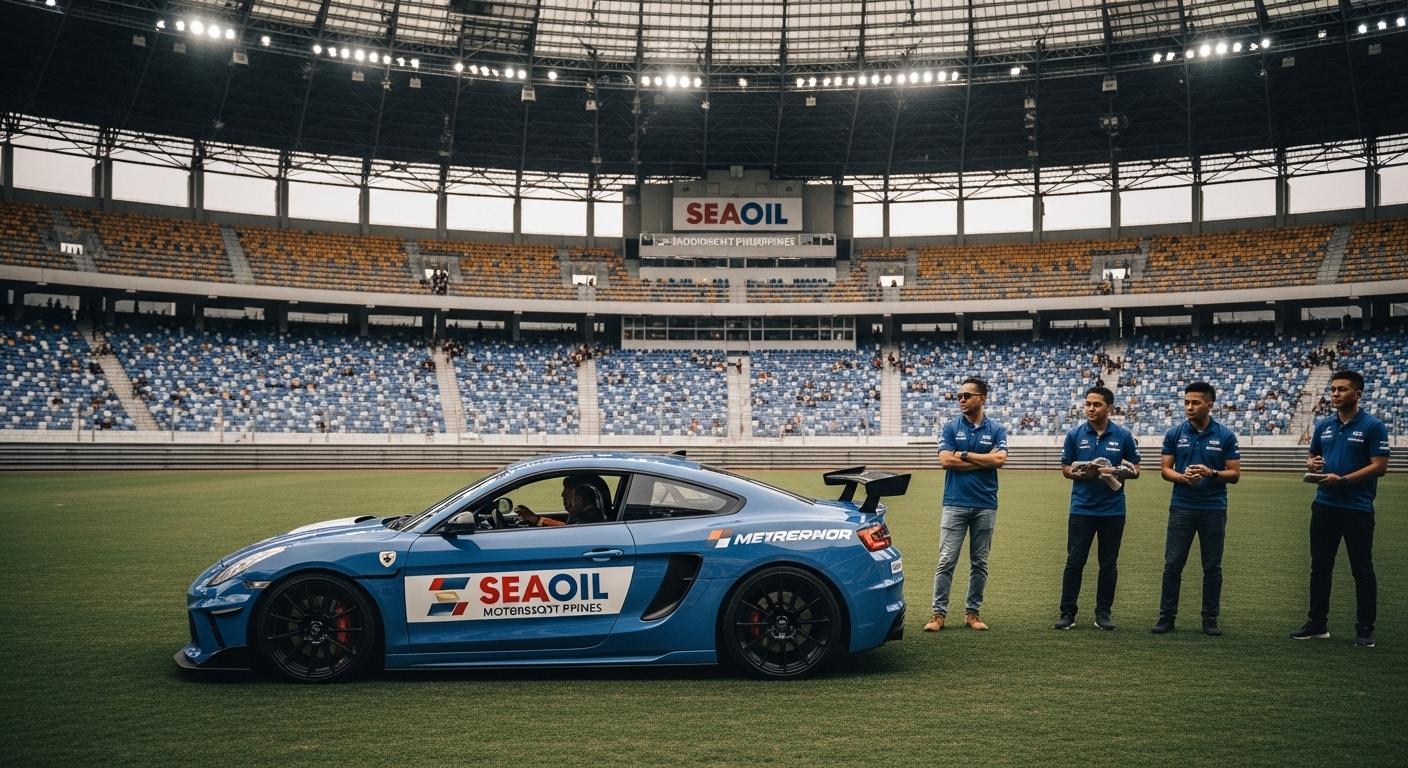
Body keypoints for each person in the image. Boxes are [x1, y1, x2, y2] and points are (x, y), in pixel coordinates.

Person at [1290, 370, 1390, 647]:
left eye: (1342, 389)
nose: (1334, 394)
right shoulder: (1324, 425)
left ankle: (1365, 627)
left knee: (1362, 569)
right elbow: (1314, 454)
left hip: (1357, 508)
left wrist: (1343, 480)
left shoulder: (1373, 426)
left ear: (1358, 394)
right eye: (1333, 389)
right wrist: (1312, 464)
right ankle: (1317, 624)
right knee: (1320, 567)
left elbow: (1380, 466)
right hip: (1324, 506)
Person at [1152, 382, 1241, 636]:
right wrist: (1183, 478)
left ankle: (1210, 619)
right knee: (1172, 565)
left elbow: (1234, 474)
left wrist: (1210, 473)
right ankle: (1167, 617)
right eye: (1186, 402)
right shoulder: (1174, 433)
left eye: (1195, 402)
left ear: (1210, 405)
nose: (1189, 407)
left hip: (1213, 509)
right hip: (1182, 507)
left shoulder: (1225, 435)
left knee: (1212, 566)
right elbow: (1165, 469)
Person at [924, 377, 1008, 633]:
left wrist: (965, 455)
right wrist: (985, 460)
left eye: (966, 396)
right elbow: (946, 462)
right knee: (946, 560)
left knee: (979, 562)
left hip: (985, 504)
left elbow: (1000, 460)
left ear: (981, 398)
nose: (961, 399)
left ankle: (972, 613)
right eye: (959, 396)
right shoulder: (950, 428)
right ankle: (938, 614)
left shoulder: (996, 429)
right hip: (955, 503)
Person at [1055, 386, 1141, 631]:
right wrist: (1084, 473)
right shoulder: (1074, 434)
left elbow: (1136, 470)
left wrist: (1117, 471)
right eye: (1088, 404)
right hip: (1081, 509)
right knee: (1074, 562)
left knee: (1108, 564)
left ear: (1109, 408)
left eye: (1097, 404)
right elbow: (1065, 469)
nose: (1091, 408)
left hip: (1113, 511)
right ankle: (1067, 613)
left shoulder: (1123, 436)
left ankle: (1103, 614)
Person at [516, 475, 609, 527]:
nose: (562, 496)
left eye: (566, 496)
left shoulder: (590, 519)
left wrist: (538, 520)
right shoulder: (584, 513)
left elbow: (569, 529)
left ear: (578, 499)